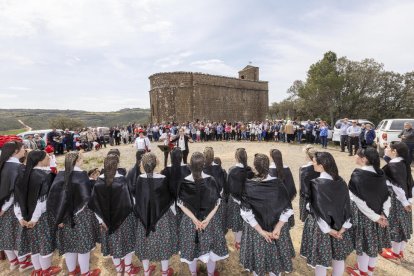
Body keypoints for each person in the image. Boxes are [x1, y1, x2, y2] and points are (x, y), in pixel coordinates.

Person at [239, 153, 294, 276]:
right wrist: (278, 228)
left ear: (254, 167)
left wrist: (261, 231)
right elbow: (288, 209)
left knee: (257, 265)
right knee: (276, 264)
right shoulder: (278, 183)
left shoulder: (248, 185)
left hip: (256, 230)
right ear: (268, 166)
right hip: (277, 229)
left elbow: (246, 213)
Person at [47, 152, 100, 276]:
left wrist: (57, 217)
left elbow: (53, 198)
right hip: (81, 216)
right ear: (77, 160)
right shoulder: (81, 175)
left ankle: (71, 271)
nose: (82, 161)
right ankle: (85, 272)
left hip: (62, 216)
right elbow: (86, 197)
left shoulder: (60, 174)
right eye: (81, 159)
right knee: (83, 246)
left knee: (69, 245)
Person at [300, 152, 353, 276]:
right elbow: (346, 205)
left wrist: (328, 230)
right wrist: (343, 228)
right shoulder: (341, 181)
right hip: (339, 226)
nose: (312, 163)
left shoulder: (315, 184)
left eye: (314, 161)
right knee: (338, 258)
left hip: (321, 229)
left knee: (320, 261)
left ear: (322, 165)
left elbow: (314, 209)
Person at [177, 152, 228, 276]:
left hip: (191, 222)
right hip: (209, 222)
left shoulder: (184, 181)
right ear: (203, 165)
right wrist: (207, 219)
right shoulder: (211, 180)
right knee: (211, 252)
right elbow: (217, 202)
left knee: (191, 252)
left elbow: (180, 204)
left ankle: (194, 273)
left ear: (190, 165)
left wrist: (194, 219)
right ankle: (210, 273)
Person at [89, 154, 139, 276]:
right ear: (117, 164)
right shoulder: (122, 180)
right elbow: (130, 201)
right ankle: (127, 270)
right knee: (127, 245)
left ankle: (118, 270)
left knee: (112, 246)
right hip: (124, 219)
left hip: (106, 220)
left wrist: (100, 220)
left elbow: (95, 204)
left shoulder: (98, 182)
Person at [14, 150, 62, 276]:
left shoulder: (22, 175)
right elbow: (43, 201)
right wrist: (34, 219)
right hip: (41, 217)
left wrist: (20, 217)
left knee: (34, 245)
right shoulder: (46, 176)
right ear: (39, 160)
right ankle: (46, 271)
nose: (49, 159)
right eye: (47, 157)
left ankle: (37, 271)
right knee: (44, 244)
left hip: (24, 218)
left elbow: (17, 199)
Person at [345, 148, 391, 276]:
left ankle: (362, 272)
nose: (355, 156)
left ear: (364, 159)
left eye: (357, 155)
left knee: (364, 245)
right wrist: (384, 215)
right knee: (373, 244)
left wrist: (375, 217)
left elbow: (358, 200)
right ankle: (368, 270)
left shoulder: (358, 174)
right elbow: (387, 196)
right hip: (380, 215)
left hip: (364, 215)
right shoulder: (380, 173)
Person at [133, 153, 177, 276]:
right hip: (161, 218)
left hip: (144, 218)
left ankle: (146, 272)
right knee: (163, 243)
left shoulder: (139, 178)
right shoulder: (162, 179)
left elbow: (138, 199)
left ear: (142, 164)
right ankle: (164, 272)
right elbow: (169, 199)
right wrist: (173, 213)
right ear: (156, 164)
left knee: (145, 244)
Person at [0, 141, 33, 272]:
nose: (25, 150)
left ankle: (13, 262)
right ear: (15, 151)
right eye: (23, 148)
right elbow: (15, 193)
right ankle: (23, 262)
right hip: (13, 207)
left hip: (2, 208)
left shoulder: (2, 165)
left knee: (5, 234)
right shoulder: (18, 168)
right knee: (17, 235)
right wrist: (4, 208)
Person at [380, 142, 413, 261]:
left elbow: (397, 186)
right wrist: (409, 200)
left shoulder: (392, 166)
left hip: (396, 198)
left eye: (388, 147)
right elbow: (410, 182)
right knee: (403, 225)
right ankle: (399, 252)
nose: (386, 148)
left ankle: (393, 253)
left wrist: (404, 202)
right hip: (404, 198)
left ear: (394, 151)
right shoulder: (403, 163)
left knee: (395, 225)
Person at [226, 148, 254, 250]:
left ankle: (238, 241)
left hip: (235, 200)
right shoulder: (250, 170)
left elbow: (229, 186)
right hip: (247, 200)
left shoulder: (232, 170)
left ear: (236, 157)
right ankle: (241, 240)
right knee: (245, 220)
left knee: (237, 222)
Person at [203, 147, 228, 234]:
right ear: (213, 156)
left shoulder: (201, 169)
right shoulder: (220, 169)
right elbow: (223, 186)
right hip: (217, 200)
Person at [298, 145, 320, 222]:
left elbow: (303, 187)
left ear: (307, 156)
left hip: (307, 196)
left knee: (308, 219)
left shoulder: (304, 169)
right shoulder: (322, 167)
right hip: (320, 195)